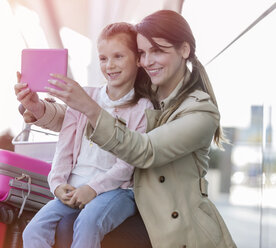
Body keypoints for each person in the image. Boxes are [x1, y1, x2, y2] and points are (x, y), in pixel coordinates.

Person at [17, 10, 237, 248]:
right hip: (137, 209)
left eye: (158, 50)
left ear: (184, 50)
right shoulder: (146, 94)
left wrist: (89, 107)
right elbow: (79, 121)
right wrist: (38, 109)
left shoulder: (199, 112)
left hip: (178, 228)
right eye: (143, 52)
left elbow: (143, 149)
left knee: (82, 224)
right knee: (52, 226)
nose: (147, 61)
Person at [15, 22, 154, 248]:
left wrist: (93, 189)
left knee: (88, 222)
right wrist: (57, 184)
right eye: (103, 58)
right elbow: (64, 149)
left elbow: (127, 165)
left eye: (118, 56)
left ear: (138, 59)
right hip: (74, 187)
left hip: (117, 191)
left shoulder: (143, 108)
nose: (110, 65)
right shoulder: (83, 96)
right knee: (33, 230)